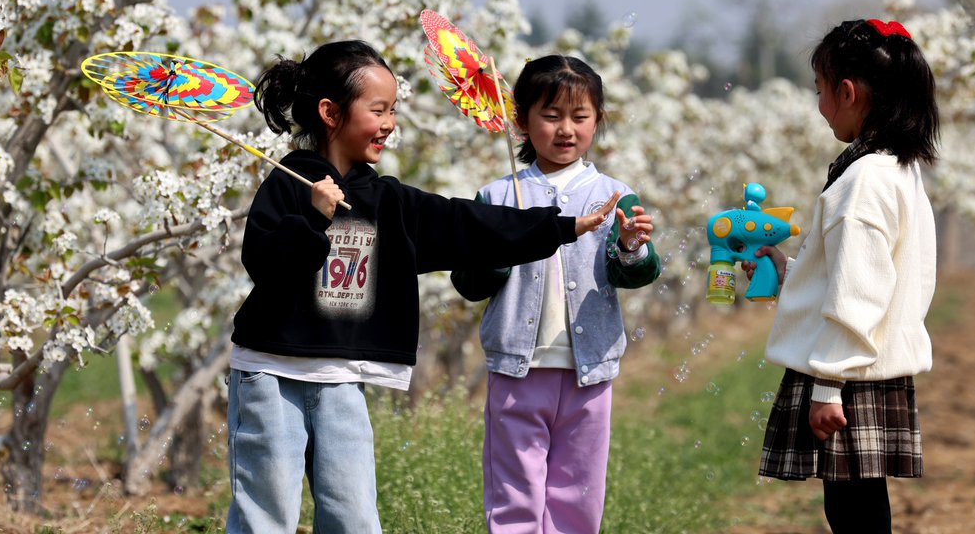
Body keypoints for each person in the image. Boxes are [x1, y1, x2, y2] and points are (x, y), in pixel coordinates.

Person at [225, 40, 618, 534]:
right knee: (266, 514)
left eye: (393, 110)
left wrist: (560, 227)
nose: (390, 123)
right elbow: (264, 264)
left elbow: (464, 223)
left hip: (343, 376)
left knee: (354, 518)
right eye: (378, 110)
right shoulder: (290, 185)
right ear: (330, 112)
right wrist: (313, 215)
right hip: (269, 372)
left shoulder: (387, 200)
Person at [451, 54, 662, 534]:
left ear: (598, 120)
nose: (566, 129)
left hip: (590, 373)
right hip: (517, 370)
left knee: (579, 496)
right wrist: (497, 252)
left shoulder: (615, 196)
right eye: (550, 116)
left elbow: (637, 272)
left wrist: (632, 249)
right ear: (521, 121)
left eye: (579, 116)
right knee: (514, 493)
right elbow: (467, 281)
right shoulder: (497, 197)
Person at [744, 19, 940, 534]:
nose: (819, 103)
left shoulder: (865, 181)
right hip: (868, 362)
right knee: (857, 502)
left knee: (854, 511)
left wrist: (828, 385)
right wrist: (788, 269)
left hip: (851, 372)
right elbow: (860, 273)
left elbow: (860, 293)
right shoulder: (893, 168)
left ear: (847, 93)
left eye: (820, 90)